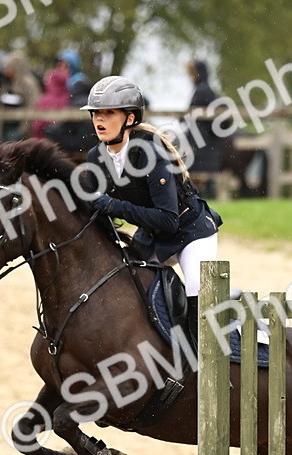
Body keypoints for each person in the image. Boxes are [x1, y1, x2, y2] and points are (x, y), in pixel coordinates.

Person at [81, 75, 223, 348]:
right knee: (123, 285)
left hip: (190, 233)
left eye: (109, 112)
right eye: (96, 113)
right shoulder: (95, 157)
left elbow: (168, 220)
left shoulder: (150, 152)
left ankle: (204, 360)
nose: (100, 119)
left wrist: (113, 206)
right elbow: (96, 207)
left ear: (130, 119)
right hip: (151, 235)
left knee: (196, 288)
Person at [184, 60, 222, 196]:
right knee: (207, 176)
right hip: (206, 139)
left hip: (200, 139)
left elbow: (191, 112)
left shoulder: (201, 90)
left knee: (200, 175)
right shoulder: (207, 89)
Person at [2, 51, 42, 138]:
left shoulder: (28, 83)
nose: (5, 70)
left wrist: (22, 129)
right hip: (7, 128)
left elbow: (33, 105)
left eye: (7, 67)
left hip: (21, 130)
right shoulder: (7, 83)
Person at [32, 60, 70, 140]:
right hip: (63, 143)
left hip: (44, 143)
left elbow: (37, 126)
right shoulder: (69, 98)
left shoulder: (45, 100)